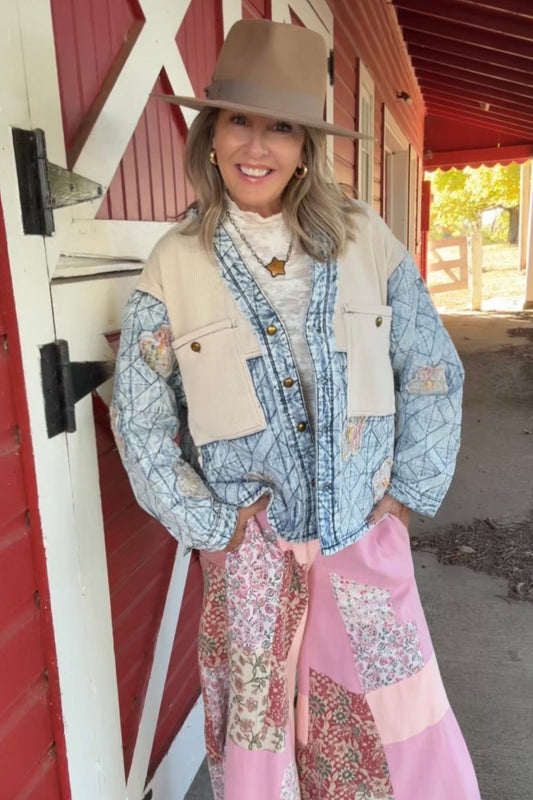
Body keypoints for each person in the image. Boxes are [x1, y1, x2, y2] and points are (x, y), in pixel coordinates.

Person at [111, 18, 480, 800]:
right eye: (239, 121)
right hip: (252, 561)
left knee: (396, 733)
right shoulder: (174, 264)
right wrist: (213, 523)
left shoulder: (364, 239)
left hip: (362, 540)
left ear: (307, 146)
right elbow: (139, 417)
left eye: (280, 127)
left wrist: (405, 497)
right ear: (210, 134)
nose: (256, 146)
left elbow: (429, 370)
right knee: (259, 750)